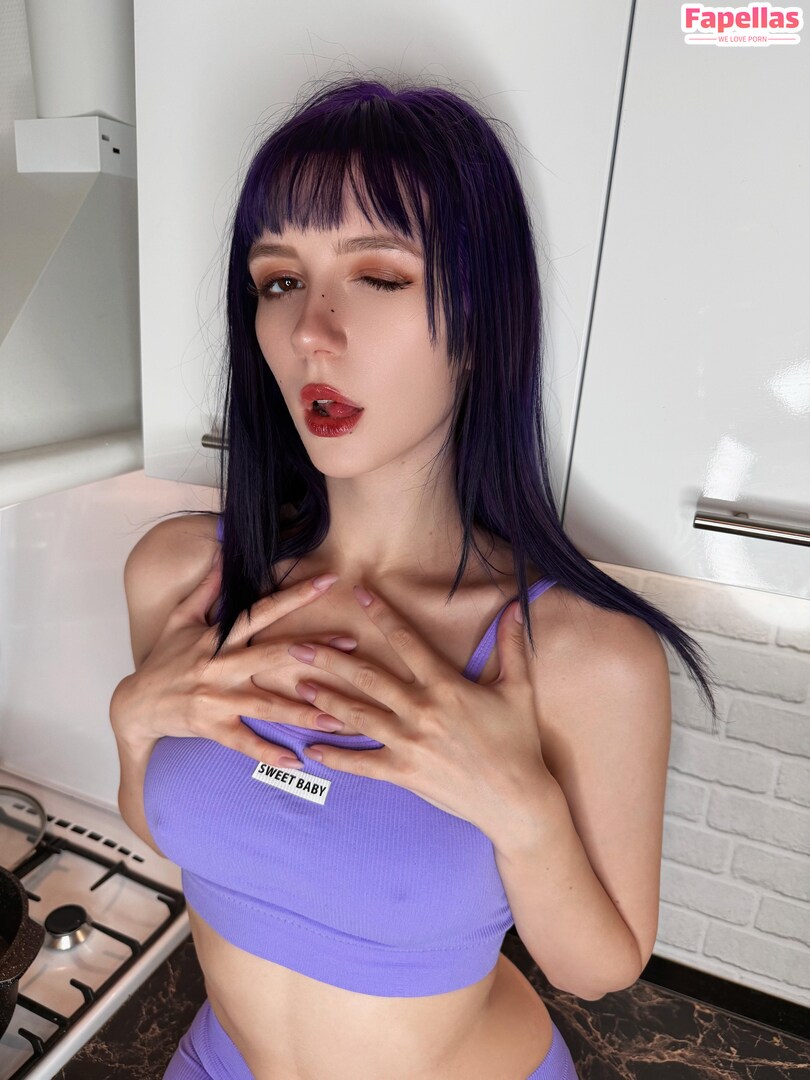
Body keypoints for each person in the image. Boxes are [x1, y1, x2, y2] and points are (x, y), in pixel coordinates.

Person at [110, 75, 718, 1080]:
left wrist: (521, 808)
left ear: (479, 323)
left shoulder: (577, 657)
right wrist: (133, 728)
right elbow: (167, 825)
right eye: (279, 281)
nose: (311, 331)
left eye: (379, 277)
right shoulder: (187, 577)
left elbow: (598, 968)